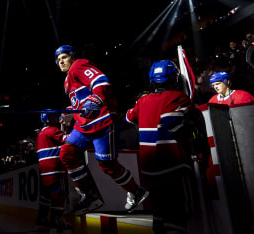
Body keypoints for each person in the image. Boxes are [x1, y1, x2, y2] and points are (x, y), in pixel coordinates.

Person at [55, 45, 148, 216]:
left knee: (107, 165)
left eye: (64, 57)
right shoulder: (67, 81)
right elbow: (79, 103)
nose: (61, 61)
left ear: (72, 57)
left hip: (102, 121)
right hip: (83, 125)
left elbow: (101, 82)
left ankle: (136, 191)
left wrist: (96, 99)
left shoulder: (79, 65)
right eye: (58, 59)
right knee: (67, 153)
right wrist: (70, 112)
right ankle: (89, 195)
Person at [125, 59, 201, 233]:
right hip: (173, 169)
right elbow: (175, 122)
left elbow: (128, 118)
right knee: (178, 217)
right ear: (174, 78)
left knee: (159, 217)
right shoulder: (179, 98)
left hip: (149, 172)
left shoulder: (142, 101)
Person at [35, 112, 71, 230]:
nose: (56, 118)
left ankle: (42, 218)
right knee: (59, 194)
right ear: (48, 119)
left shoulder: (40, 133)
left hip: (44, 171)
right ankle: (57, 219)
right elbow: (69, 140)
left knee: (45, 195)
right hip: (56, 169)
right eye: (53, 116)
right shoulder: (52, 130)